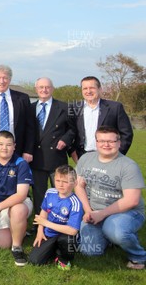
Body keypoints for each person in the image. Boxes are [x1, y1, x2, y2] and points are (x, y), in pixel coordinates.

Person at [75, 126, 146, 270]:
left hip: (126, 212)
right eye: (101, 141)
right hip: (95, 211)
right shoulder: (86, 158)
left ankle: (139, 257)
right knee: (90, 251)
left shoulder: (128, 166)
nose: (106, 145)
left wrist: (102, 214)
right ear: (96, 142)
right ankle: (110, 238)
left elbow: (132, 200)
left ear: (119, 143)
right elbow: (78, 185)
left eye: (111, 141)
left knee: (116, 231)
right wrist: (88, 211)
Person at [0, 130, 33, 266]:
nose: (4, 148)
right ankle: (18, 228)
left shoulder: (21, 163)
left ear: (14, 146)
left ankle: (17, 247)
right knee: (1, 245)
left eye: (9, 145)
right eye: (1, 144)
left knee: (18, 210)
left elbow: (21, 195)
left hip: (19, 203)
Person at [30, 77, 75, 215]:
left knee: (61, 191)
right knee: (38, 193)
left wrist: (65, 140)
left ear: (52, 89)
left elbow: (73, 129)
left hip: (56, 157)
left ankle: (62, 219)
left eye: (47, 87)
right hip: (36, 158)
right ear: (36, 89)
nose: (44, 90)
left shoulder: (64, 107)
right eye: (41, 87)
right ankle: (39, 223)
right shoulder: (30, 108)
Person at [28, 165, 83, 270]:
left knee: (67, 241)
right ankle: (53, 249)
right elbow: (44, 211)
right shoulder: (50, 193)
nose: (61, 185)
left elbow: (72, 231)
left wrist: (45, 223)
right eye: (58, 181)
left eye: (65, 182)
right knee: (34, 260)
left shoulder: (75, 203)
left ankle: (63, 258)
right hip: (49, 233)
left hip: (66, 236)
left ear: (75, 183)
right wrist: (40, 231)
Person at [70, 76, 133, 160]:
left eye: (92, 88)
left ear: (99, 89)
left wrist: (117, 154)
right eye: (85, 88)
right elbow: (68, 132)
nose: (88, 91)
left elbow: (127, 133)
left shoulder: (115, 107)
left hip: (108, 156)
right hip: (82, 157)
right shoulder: (74, 108)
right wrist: (72, 152)